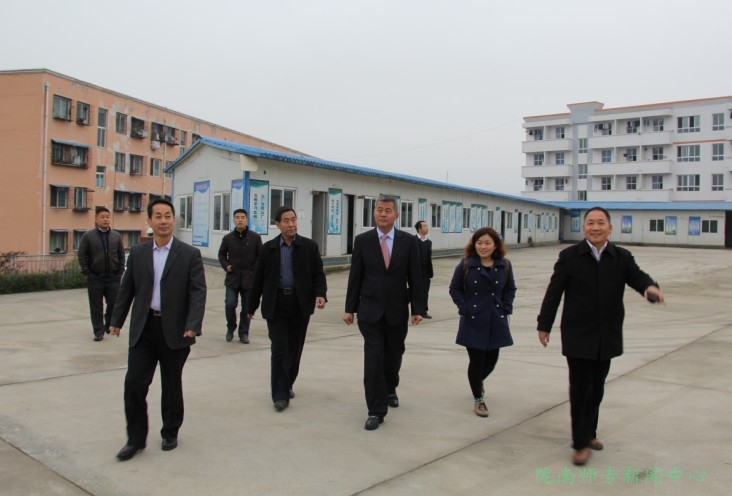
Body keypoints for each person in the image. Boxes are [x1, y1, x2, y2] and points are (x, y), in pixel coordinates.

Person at [537, 206, 664, 466]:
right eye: (590, 223)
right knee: (580, 390)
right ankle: (580, 444)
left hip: (607, 334)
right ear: (584, 228)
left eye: (600, 222)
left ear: (610, 228)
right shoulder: (569, 256)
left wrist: (650, 288)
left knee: (597, 388)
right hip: (578, 334)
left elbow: (637, 277)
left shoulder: (621, 257)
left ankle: (590, 433)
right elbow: (554, 291)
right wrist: (544, 324)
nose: (595, 227)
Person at [109, 198, 207, 461]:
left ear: (174, 220)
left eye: (168, 216)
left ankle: (170, 431)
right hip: (144, 327)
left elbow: (198, 292)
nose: (164, 221)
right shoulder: (138, 253)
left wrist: (193, 324)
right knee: (134, 383)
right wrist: (117, 319)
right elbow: (127, 288)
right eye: (158, 216)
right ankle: (135, 439)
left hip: (175, 330)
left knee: (171, 384)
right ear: (150, 221)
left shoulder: (189, 254)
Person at [343, 194, 425, 431]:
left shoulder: (408, 242)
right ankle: (375, 410)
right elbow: (356, 275)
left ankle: (390, 387)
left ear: (396, 215)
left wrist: (418, 308)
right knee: (374, 359)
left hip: (397, 311)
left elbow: (415, 277)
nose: (382, 214)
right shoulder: (363, 240)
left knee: (393, 356)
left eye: (388, 210)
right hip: (370, 311)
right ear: (374, 213)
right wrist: (350, 308)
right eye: (379, 209)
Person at [247, 206, 327, 412]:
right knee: (279, 350)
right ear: (278, 224)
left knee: (294, 350)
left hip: (300, 305)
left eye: (293, 220)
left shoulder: (309, 247)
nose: (291, 224)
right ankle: (280, 395)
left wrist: (320, 294)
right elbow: (258, 279)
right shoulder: (268, 249)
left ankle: (287, 382)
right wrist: (251, 306)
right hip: (276, 304)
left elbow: (318, 274)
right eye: (286, 221)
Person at [448, 227, 516, 418]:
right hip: (473, 320)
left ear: (495, 245)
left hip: (496, 318)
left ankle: (477, 381)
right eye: (479, 243)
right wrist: (464, 307)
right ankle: (478, 399)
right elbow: (454, 288)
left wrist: (506, 307)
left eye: (487, 243)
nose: (483, 247)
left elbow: (510, 289)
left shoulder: (504, 265)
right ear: (474, 244)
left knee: (492, 361)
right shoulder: (466, 264)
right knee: (476, 361)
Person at [77, 206, 126, 341]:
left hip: (113, 278)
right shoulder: (88, 236)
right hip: (95, 277)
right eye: (102, 217)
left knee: (114, 303)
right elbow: (81, 255)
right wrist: (87, 273)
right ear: (96, 219)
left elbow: (121, 254)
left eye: (107, 217)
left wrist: (120, 271)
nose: (105, 219)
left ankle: (109, 323)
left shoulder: (116, 236)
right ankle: (98, 331)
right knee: (96, 306)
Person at [218, 208, 262, 343]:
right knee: (230, 304)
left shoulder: (255, 237)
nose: (240, 220)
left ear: (247, 220)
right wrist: (226, 265)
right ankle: (230, 328)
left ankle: (243, 333)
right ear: (234, 220)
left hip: (249, 279)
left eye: (242, 217)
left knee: (247, 308)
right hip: (233, 278)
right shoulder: (228, 238)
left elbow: (260, 256)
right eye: (237, 217)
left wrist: (254, 270)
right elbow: (221, 254)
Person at [414, 220, 434, 319]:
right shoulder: (413, 241)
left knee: (425, 292)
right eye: (425, 226)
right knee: (414, 292)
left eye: (427, 226)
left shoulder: (428, 242)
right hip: (415, 272)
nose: (427, 227)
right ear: (419, 229)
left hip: (426, 272)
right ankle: (414, 310)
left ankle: (423, 311)